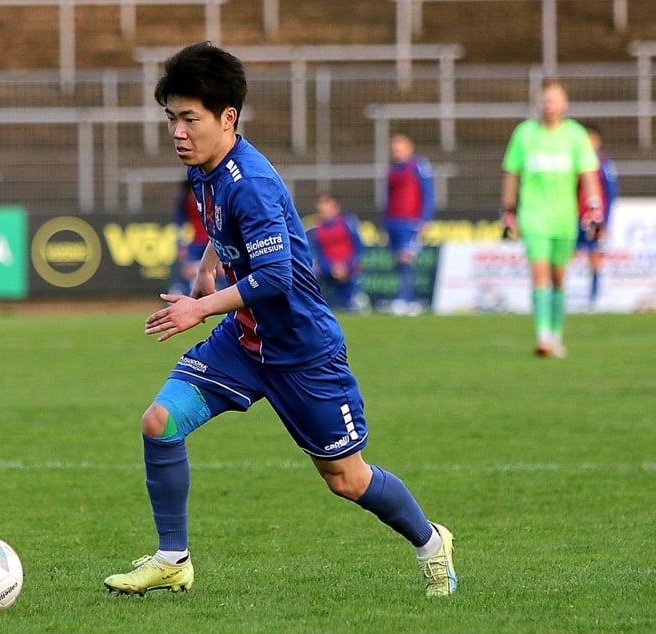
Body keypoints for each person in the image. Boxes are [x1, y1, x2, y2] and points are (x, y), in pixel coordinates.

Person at [103, 41, 457, 600]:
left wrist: (199, 307)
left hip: (302, 353)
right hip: (245, 345)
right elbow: (226, 232)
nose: (177, 131)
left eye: (189, 118)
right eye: (171, 118)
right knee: (159, 422)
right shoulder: (204, 169)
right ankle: (173, 559)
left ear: (228, 118)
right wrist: (205, 273)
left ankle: (432, 542)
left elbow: (275, 279)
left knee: (346, 479)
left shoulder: (254, 185)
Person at [501, 78, 602, 357]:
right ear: (538, 102)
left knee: (559, 277)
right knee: (539, 274)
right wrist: (508, 210)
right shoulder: (524, 134)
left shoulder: (575, 135)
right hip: (533, 216)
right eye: (545, 99)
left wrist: (594, 209)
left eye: (554, 99)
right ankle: (543, 336)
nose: (549, 104)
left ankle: (556, 334)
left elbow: (588, 175)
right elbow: (512, 173)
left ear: (564, 103)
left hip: (563, 217)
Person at [384, 133, 434, 316]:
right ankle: (408, 299)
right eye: (394, 148)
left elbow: (427, 194)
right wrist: (385, 222)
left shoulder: (419, 166)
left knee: (407, 260)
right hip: (393, 222)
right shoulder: (391, 169)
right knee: (399, 262)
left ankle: (405, 299)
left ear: (409, 147)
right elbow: (388, 198)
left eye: (400, 147)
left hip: (411, 221)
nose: (396, 151)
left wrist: (425, 220)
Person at [576, 123, 618, 311]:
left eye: (592, 139)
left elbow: (610, 194)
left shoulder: (604, 164)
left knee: (595, 257)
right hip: (574, 217)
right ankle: (561, 296)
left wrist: (604, 221)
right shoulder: (575, 164)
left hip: (595, 219)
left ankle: (594, 299)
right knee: (563, 257)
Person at [307, 194, 365, 312]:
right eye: (321, 209)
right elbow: (318, 254)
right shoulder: (317, 230)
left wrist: (346, 267)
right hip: (329, 273)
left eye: (327, 208)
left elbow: (359, 248)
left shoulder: (348, 222)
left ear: (335, 208)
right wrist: (331, 268)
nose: (324, 212)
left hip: (349, 271)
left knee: (350, 306)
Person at [169, 181, 214, 297]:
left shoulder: (208, 198)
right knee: (187, 271)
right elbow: (180, 224)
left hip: (211, 241)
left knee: (219, 270)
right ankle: (185, 295)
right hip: (194, 242)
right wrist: (180, 245)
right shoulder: (183, 202)